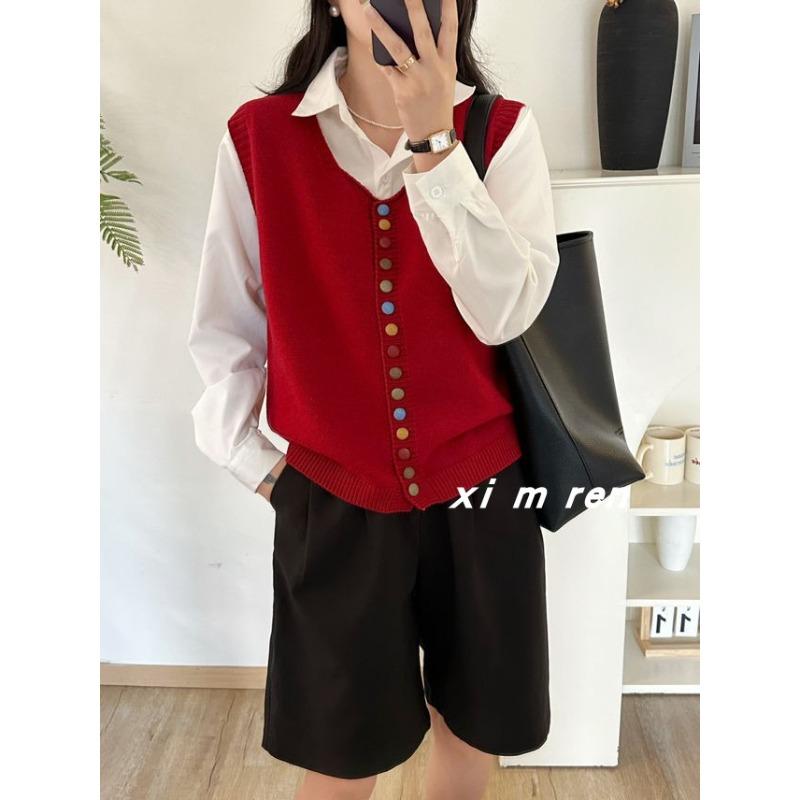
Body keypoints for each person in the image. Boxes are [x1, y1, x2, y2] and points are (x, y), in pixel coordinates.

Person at [187, 1, 559, 798]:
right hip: (331, 496)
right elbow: (225, 329)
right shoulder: (260, 138)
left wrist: (435, 145)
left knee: (473, 734)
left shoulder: (503, 132)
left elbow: (506, 315)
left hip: (484, 493)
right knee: (340, 755)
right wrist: (267, 473)